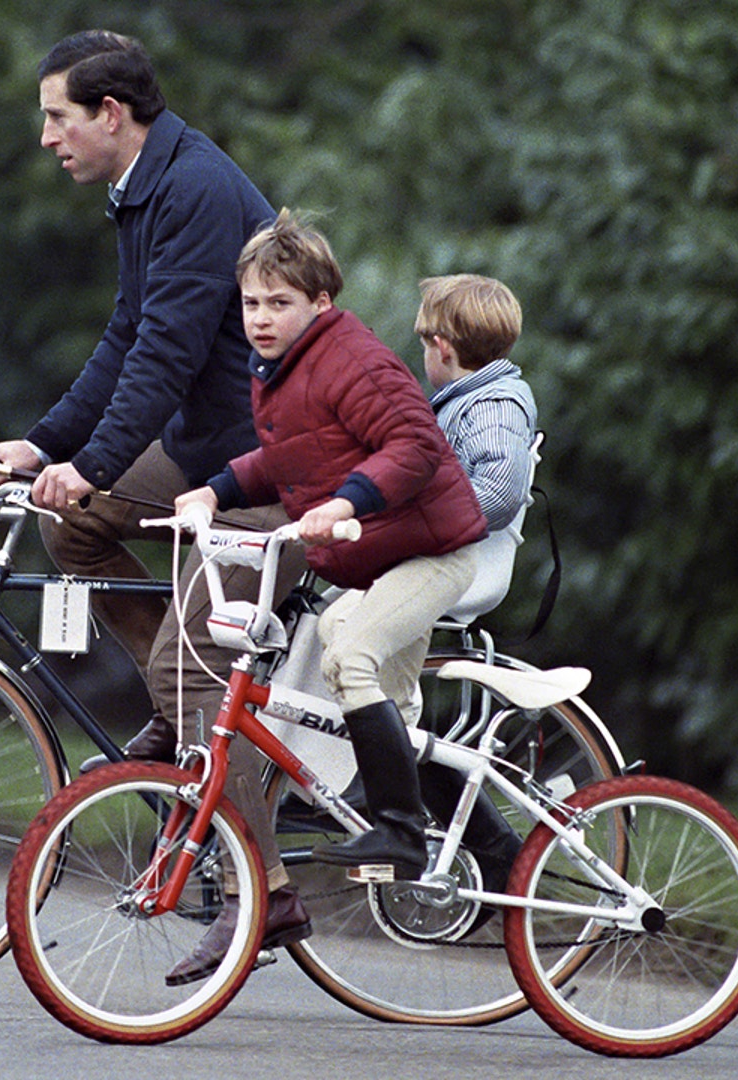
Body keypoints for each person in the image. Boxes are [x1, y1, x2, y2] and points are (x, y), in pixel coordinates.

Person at [0, 30, 310, 978]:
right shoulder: (144, 188)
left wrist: (93, 459)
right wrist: (46, 447)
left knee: (192, 658)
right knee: (72, 522)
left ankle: (269, 893)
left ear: (110, 115)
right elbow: (126, 336)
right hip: (211, 451)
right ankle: (181, 713)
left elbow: (162, 356)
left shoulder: (194, 191)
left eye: (57, 117)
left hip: (272, 469)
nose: (47, 137)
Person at [174, 209, 488, 954]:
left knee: (349, 654)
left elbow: (414, 447)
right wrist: (215, 488)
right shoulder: (283, 371)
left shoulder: (354, 359)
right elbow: (288, 461)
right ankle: (502, 852)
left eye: (279, 303)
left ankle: (401, 833)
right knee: (383, 697)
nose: (260, 318)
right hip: (385, 556)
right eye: (251, 303)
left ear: (320, 302)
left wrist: (346, 502)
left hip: (431, 550)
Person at [412, 272, 539, 890]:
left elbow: (500, 490)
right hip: (443, 553)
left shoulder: (490, 406)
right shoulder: (468, 399)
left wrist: (410, 526)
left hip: (460, 565)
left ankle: (372, 772)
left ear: (441, 346)